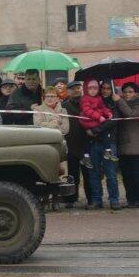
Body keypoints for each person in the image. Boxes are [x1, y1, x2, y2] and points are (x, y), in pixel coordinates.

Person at [79, 79, 121, 210]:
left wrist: (95, 130)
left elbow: (113, 121)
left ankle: (114, 200)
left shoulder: (114, 103)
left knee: (111, 173)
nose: (105, 90)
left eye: (108, 88)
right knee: (94, 173)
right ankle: (97, 200)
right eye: (103, 88)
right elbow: (84, 115)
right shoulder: (91, 100)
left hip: (109, 141)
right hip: (94, 142)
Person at [115, 82, 139, 208]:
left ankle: (138, 199)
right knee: (126, 175)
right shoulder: (119, 104)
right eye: (125, 92)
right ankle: (130, 199)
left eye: (130, 92)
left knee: (136, 174)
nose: (127, 94)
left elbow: (131, 114)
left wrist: (119, 101)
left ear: (136, 93)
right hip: (122, 144)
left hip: (135, 145)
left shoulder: (138, 104)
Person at [62, 80, 92, 208]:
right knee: (72, 175)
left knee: (89, 174)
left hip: (87, 144)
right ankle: (70, 199)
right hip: (71, 144)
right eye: (73, 88)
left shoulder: (87, 104)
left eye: (78, 88)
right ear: (68, 91)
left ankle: (92, 199)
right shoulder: (63, 106)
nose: (76, 90)